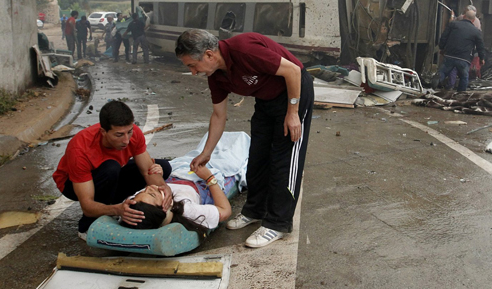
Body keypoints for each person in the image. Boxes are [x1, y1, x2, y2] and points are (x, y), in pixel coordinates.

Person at [175, 29, 314, 248]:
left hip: (293, 92)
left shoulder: (244, 49)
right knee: (257, 155)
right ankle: (255, 211)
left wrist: (293, 113)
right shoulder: (216, 76)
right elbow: (219, 115)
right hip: (266, 99)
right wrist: (206, 153)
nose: (193, 72)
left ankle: (277, 223)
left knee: (283, 158)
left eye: (192, 65)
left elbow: (293, 71)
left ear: (209, 55)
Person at [52, 101, 173, 239]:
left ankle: (111, 203)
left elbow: (147, 171)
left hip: (110, 174)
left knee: (163, 166)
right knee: (111, 168)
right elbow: (87, 204)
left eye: (129, 132)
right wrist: (117, 209)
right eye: (119, 135)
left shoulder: (134, 134)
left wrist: (163, 189)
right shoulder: (80, 149)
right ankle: (87, 226)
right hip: (73, 185)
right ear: (103, 132)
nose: (126, 140)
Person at [120, 164, 232, 234]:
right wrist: (209, 177)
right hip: (200, 178)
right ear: (163, 209)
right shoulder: (187, 210)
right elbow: (225, 211)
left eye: (144, 190)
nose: (150, 187)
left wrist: (159, 175)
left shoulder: (138, 204)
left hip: (177, 170)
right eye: (152, 194)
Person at [437, 9, 486, 92]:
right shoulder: (476, 32)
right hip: (464, 58)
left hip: (450, 55)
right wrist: (482, 58)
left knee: (443, 72)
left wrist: (442, 48)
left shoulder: (453, 24)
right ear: (474, 20)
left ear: (463, 16)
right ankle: (460, 94)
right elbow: (480, 47)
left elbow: (444, 37)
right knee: (464, 77)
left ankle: (433, 86)